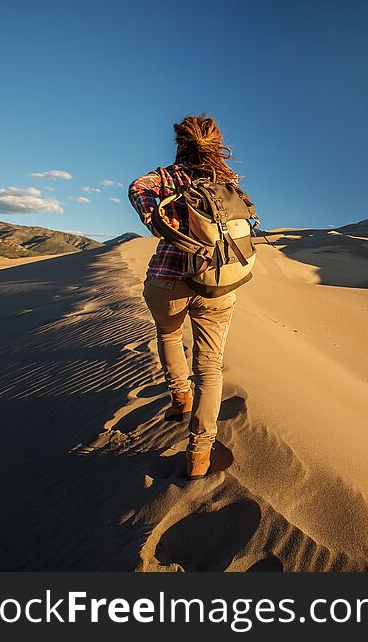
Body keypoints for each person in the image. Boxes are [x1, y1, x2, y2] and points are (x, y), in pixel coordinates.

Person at [128, 114, 241, 480]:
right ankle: (199, 453)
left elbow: (137, 187)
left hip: (168, 281)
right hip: (217, 283)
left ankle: (180, 397)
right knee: (209, 367)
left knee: (169, 335)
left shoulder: (168, 176)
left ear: (181, 143)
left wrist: (157, 221)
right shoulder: (227, 183)